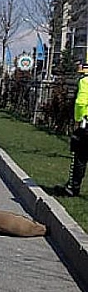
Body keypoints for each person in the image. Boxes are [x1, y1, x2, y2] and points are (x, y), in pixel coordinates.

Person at [59, 64, 88, 197]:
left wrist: (78, 119)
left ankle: (73, 187)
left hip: (86, 124)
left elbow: (81, 102)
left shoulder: (85, 81)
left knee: (80, 157)